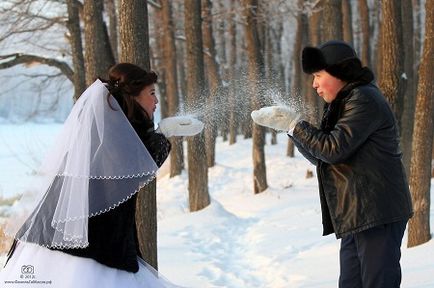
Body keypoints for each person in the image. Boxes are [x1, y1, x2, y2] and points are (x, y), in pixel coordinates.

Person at [0, 63, 203, 287]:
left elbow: (134, 158)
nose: (156, 101)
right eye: (151, 94)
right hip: (80, 252)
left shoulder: (112, 129)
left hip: (78, 242)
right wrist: (164, 132)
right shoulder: (109, 133)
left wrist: (161, 133)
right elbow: (135, 166)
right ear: (133, 97)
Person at [251, 40, 413, 287]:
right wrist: (292, 130)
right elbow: (322, 159)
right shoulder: (343, 103)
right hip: (357, 215)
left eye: (318, 75)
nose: (314, 84)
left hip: (377, 212)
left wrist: (296, 125)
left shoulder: (364, 99)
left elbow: (332, 149)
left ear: (339, 72)